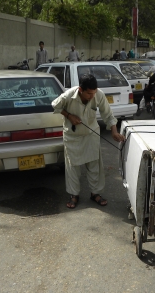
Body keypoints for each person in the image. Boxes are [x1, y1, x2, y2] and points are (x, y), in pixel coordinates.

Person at [51, 74, 126, 209]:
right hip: (72, 136)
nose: (92, 96)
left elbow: (108, 115)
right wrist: (69, 116)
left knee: (94, 165)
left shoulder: (98, 95)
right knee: (72, 167)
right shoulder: (69, 95)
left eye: (94, 93)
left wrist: (114, 131)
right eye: (89, 94)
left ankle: (95, 193)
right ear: (81, 90)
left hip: (91, 133)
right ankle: (74, 195)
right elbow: (54, 105)